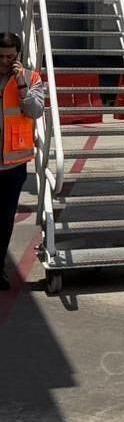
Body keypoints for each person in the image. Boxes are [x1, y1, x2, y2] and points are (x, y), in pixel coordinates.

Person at [0, 33, 45, 291]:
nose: (4, 62)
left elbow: (34, 111)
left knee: (5, 220)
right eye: (0, 57)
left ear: (18, 55)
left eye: (9, 57)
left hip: (13, 165)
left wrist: (20, 84)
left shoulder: (31, 78)